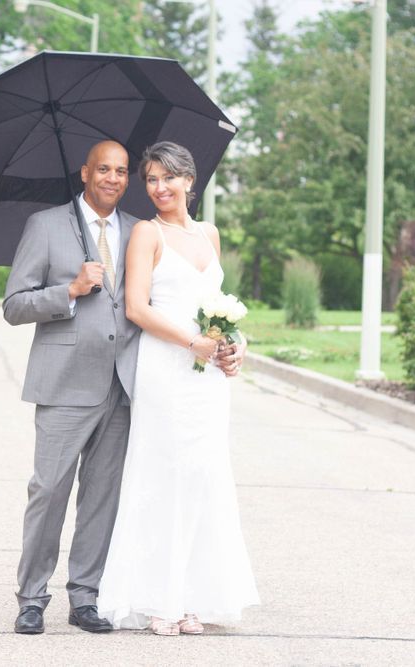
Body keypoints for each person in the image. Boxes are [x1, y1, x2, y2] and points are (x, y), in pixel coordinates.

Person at [3, 140, 243, 635]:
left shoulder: (139, 229)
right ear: (85, 172)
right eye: (103, 170)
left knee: (103, 495)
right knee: (48, 490)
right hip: (65, 382)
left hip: (127, 383)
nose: (113, 178)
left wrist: (230, 341)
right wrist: (67, 290)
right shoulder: (45, 226)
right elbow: (14, 305)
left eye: (121, 171)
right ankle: (31, 598)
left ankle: (85, 596)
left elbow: (188, 303)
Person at [96, 141, 259, 636]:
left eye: (168, 178)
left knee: (203, 477)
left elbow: (219, 303)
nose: (159, 188)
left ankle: (192, 598)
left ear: (191, 181)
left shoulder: (210, 233)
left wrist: (237, 344)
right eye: (150, 179)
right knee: (164, 475)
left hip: (207, 378)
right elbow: (138, 308)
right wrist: (192, 342)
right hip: (166, 368)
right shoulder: (146, 233)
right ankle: (158, 599)